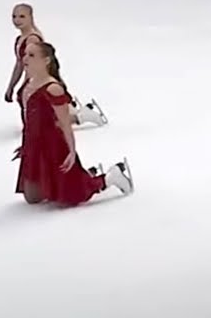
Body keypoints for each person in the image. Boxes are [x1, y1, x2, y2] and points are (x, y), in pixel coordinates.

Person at [15, 41, 133, 205]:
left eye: (31, 55)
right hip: (33, 143)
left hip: (52, 144)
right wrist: (27, 145)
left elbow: (64, 123)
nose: (25, 58)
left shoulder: (53, 88)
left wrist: (71, 151)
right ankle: (81, 176)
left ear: (46, 60)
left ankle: (110, 178)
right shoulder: (29, 83)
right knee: (33, 198)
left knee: (70, 198)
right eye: (25, 54)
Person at [4, 3, 106, 127]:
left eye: (22, 16)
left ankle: (81, 116)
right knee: (35, 122)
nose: (17, 20)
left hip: (39, 79)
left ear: (30, 17)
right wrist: (11, 86)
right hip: (33, 80)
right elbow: (19, 65)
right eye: (14, 16)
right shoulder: (19, 39)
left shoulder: (33, 39)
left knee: (44, 124)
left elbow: (36, 64)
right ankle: (71, 110)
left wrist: (30, 85)